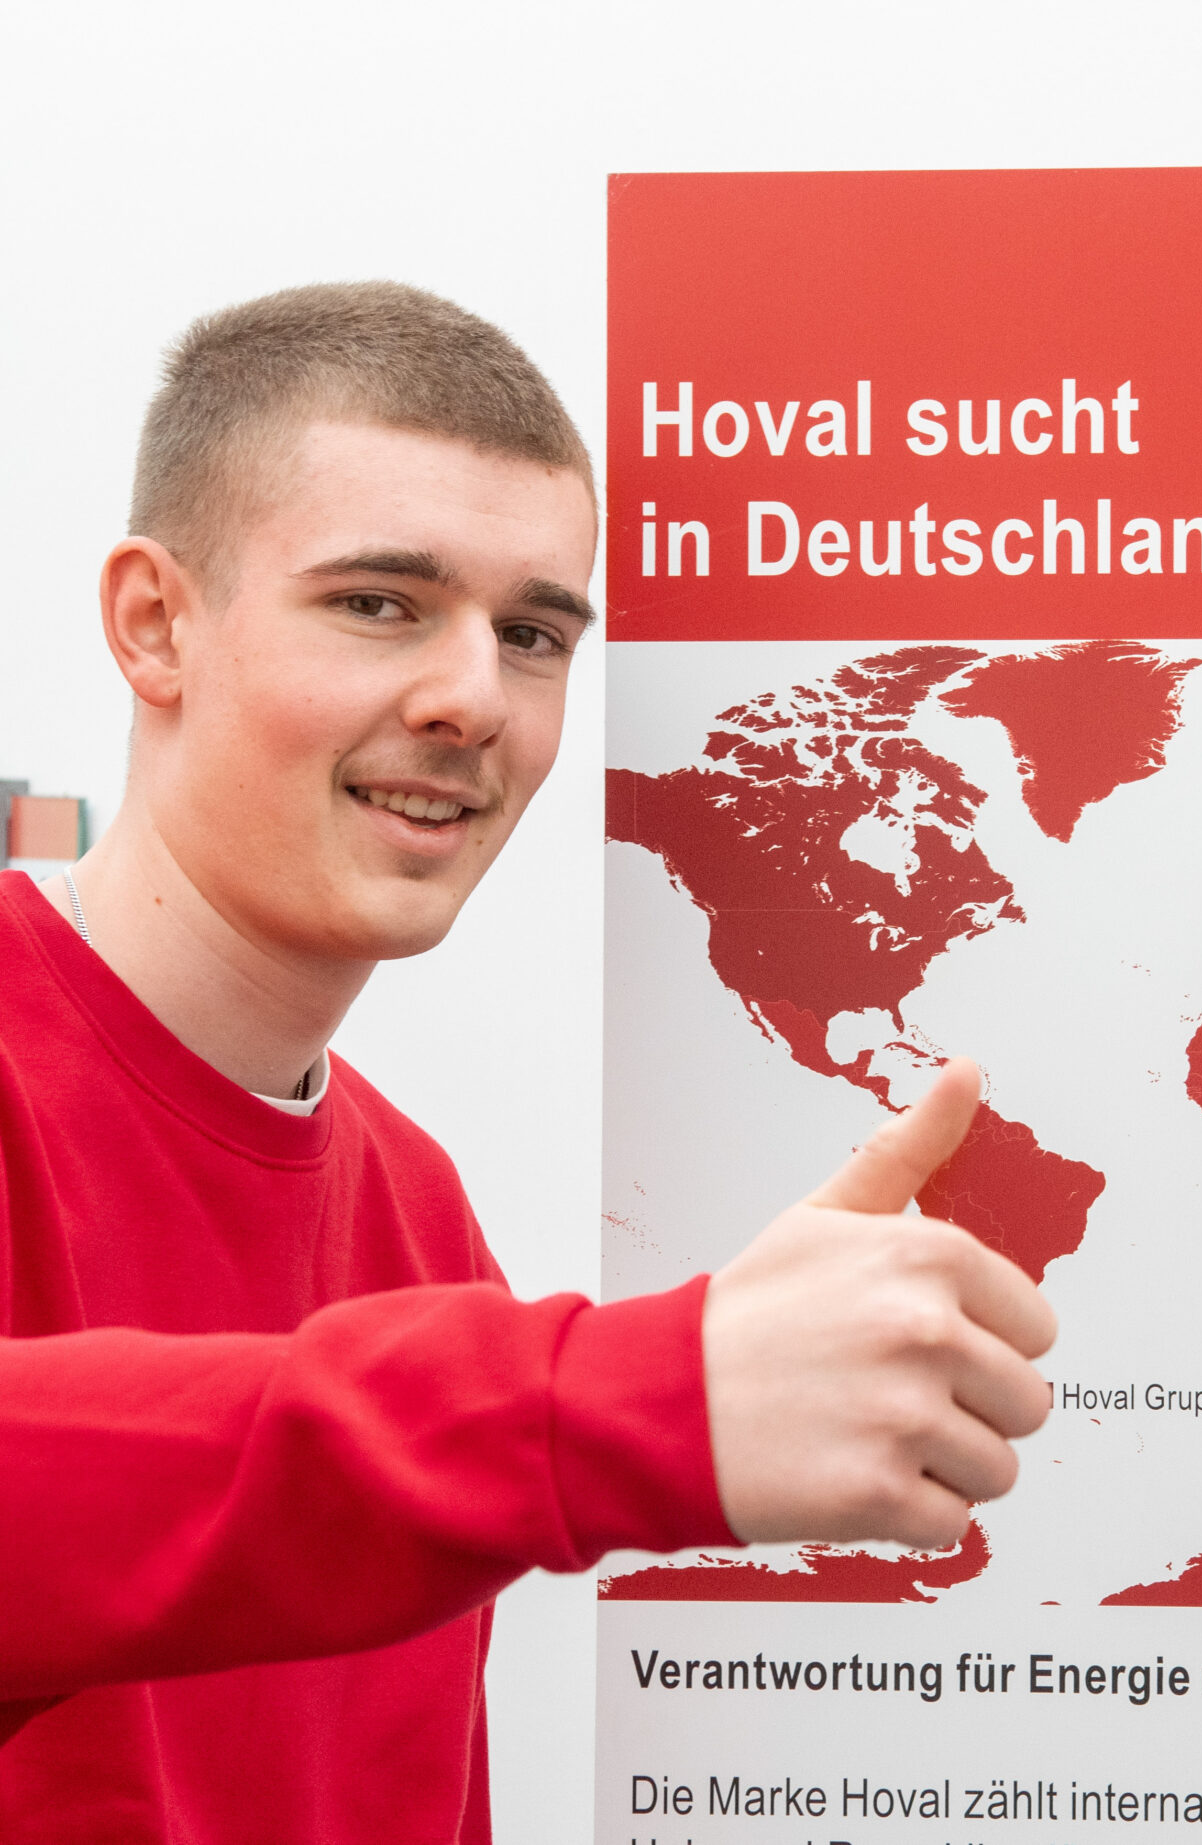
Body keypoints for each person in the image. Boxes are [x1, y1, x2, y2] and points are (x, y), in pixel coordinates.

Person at [0, 282, 1057, 1839]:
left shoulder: (423, 1223)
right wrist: (632, 1403)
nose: (475, 699)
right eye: (379, 603)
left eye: (533, 633)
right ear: (157, 623)